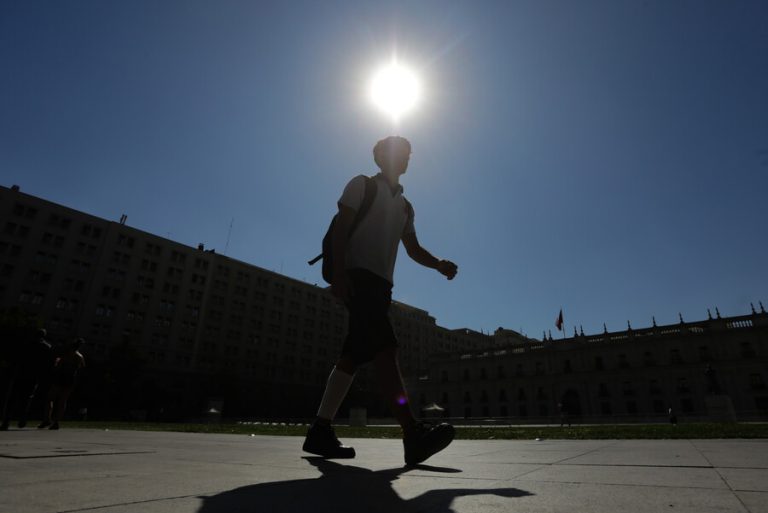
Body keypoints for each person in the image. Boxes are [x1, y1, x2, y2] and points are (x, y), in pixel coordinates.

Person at [302, 136, 459, 466]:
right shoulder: (362, 185)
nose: (407, 158)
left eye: (409, 154)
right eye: (401, 153)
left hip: (382, 286)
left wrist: (438, 264)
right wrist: (340, 274)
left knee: (353, 356)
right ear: (381, 156)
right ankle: (412, 433)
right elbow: (342, 228)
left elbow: (413, 248)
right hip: (357, 277)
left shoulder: (405, 206)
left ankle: (320, 431)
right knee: (386, 349)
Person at [1, 328, 52, 430]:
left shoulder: (26, 343)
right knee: (26, 398)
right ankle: (22, 418)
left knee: (13, 398)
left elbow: (17, 357)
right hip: (33, 375)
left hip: (21, 373)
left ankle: (6, 421)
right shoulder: (46, 347)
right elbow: (46, 364)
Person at [39, 338, 85, 430]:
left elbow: (58, 366)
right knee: (62, 401)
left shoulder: (65, 354)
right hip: (70, 379)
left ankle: (47, 419)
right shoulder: (80, 356)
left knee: (50, 398)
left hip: (60, 377)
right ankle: (56, 422)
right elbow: (82, 368)